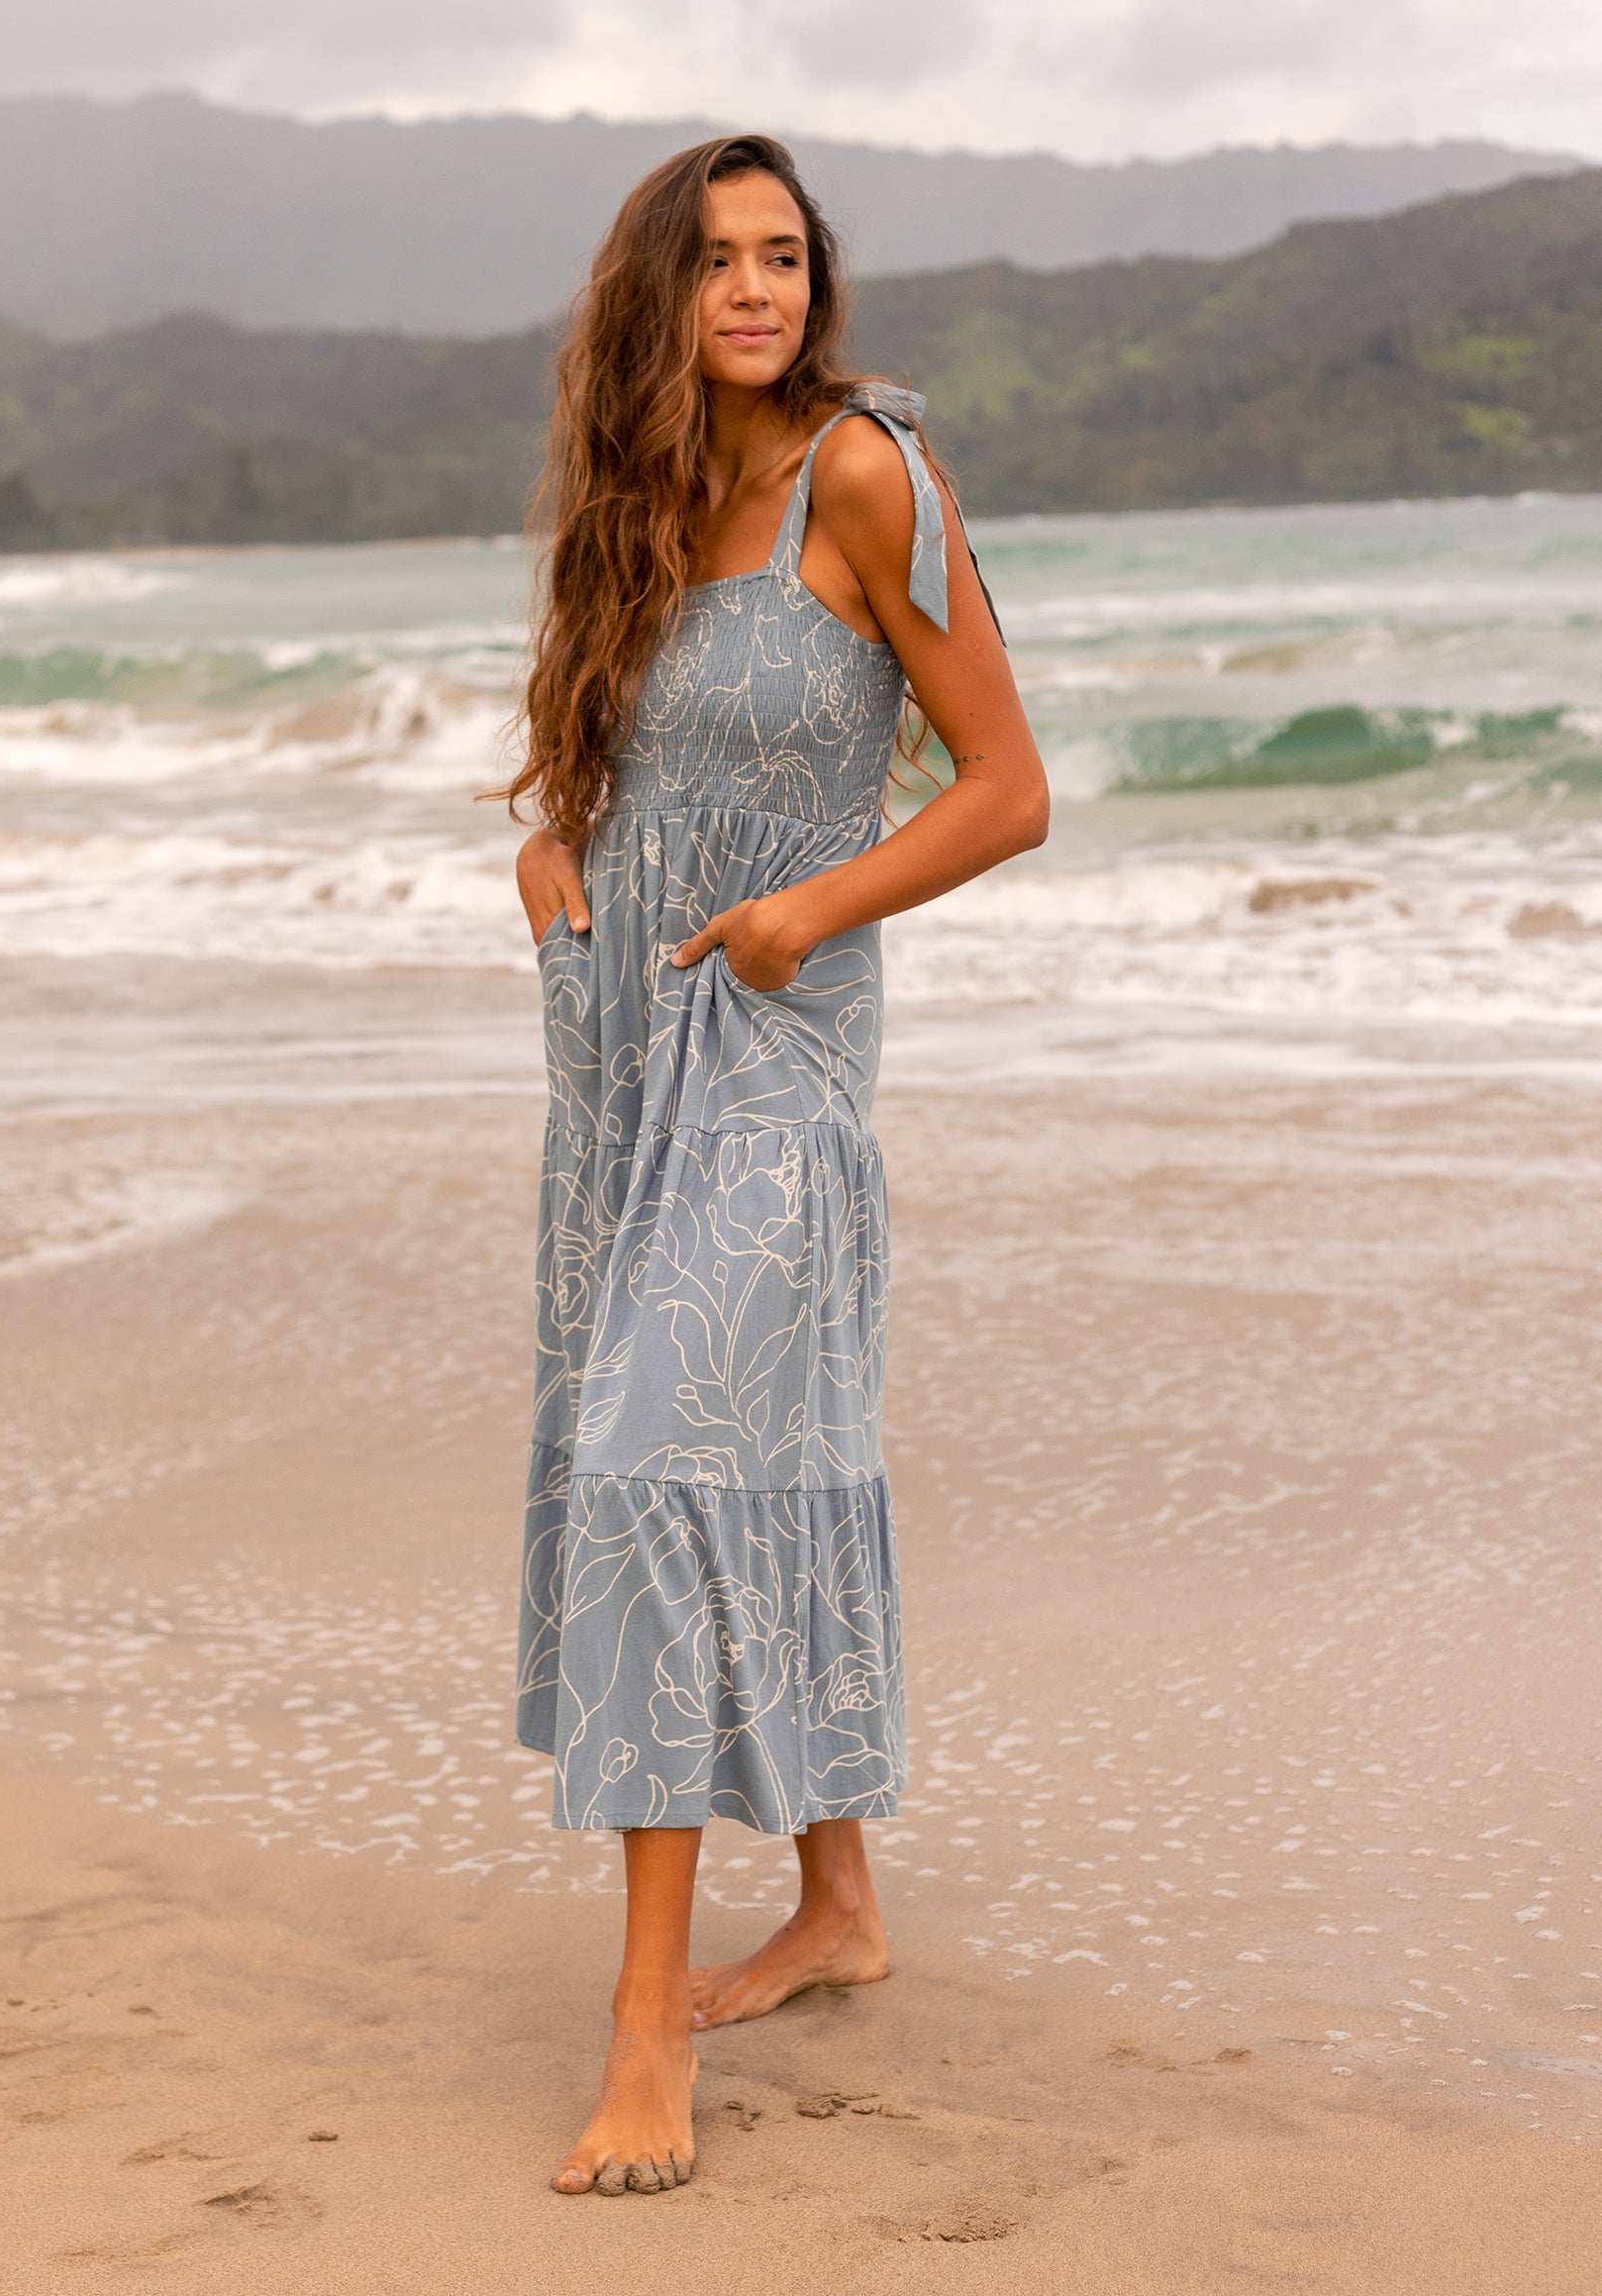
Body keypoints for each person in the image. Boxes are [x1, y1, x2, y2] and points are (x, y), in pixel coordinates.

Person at [495, 133, 1049, 2197]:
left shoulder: (863, 473)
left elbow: (1008, 789)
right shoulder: (641, 500)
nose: (758, 290)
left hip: (776, 1048)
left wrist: (813, 917)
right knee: (757, 1448)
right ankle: (839, 1905)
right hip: (622, 1042)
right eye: (721, 260)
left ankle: (643, 2033)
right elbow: (602, 772)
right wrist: (553, 864)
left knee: (660, 1456)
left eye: (786, 256)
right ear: (663, 290)